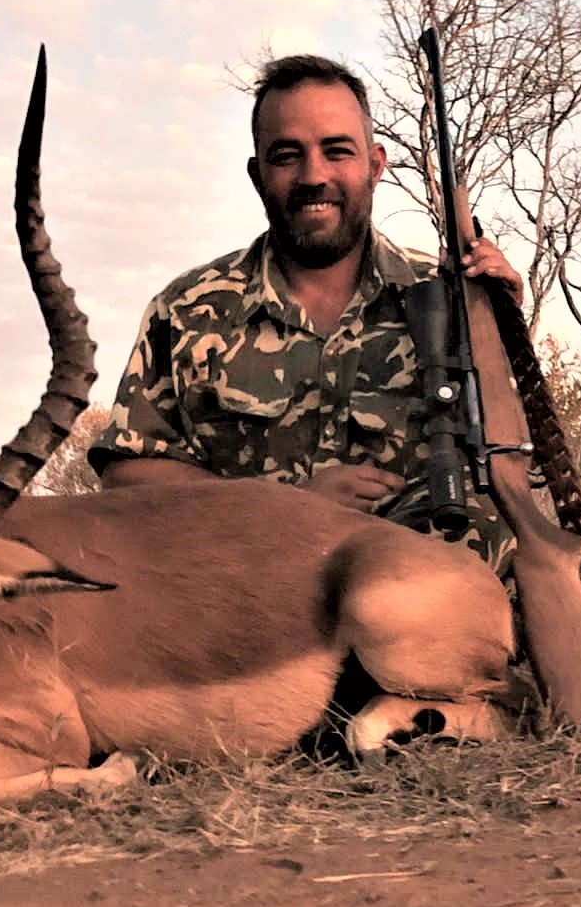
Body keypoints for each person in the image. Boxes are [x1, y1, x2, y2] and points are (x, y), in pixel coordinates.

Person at [89, 54, 526, 573]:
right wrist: (286, 507)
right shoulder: (189, 309)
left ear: (375, 165)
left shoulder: (453, 300)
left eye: (337, 150)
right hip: (244, 604)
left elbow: (510, 466)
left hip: (419, 610)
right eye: (286, 155)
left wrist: (503, 329)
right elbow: (129, 473)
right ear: (257, 175)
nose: (313, 175)